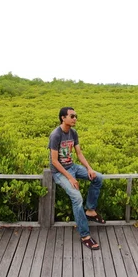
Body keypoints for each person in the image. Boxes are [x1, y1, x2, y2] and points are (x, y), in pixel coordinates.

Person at [48, 107, 105, 250]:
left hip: (72, 166)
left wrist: (89, 168)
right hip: (60, 173)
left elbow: (79, 154)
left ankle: (90, 210)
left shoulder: (73, 133)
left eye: (76, 116)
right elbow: (54, 161)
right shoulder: (55, 135)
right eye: (72, 116)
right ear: (63, 118)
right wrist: (70, 178)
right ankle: (85, 235)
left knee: (98, 178)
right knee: (77, 198)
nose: (75, 119)